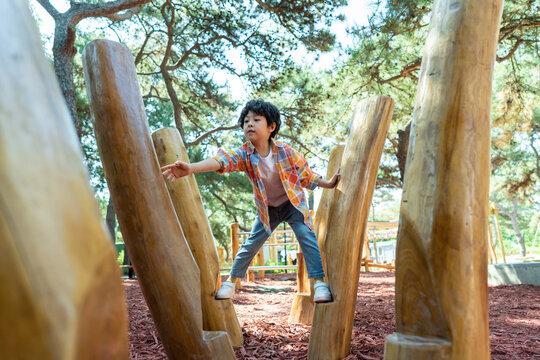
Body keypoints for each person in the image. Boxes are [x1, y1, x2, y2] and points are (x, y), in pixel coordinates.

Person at [161, 99, 340, 303]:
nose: (250, 124)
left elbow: (307, 175)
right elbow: (221, 162)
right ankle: (231, 282)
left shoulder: (286, 152)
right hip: (268, 209)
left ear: (271, 127)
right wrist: (190, 168)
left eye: (256, 119)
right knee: (251, 244)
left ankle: (319, 283)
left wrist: (328, 183)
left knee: (305, 235)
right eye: (246, 121)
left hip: (292, 204)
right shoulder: (244, 153)